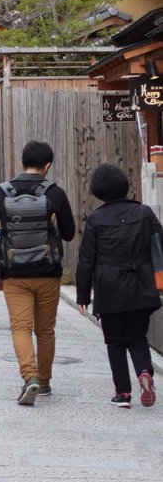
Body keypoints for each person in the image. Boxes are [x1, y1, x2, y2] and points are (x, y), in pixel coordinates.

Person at [0, 139, 76, 405]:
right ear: (47, 165)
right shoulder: (55, 193)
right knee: (45, 330)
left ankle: (29, 377)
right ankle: (45, 382)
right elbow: (69, 234)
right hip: (48, 272)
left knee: (20, 328)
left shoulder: (2, 192)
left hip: (14, 273)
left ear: (22, 162)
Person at [76, 163, 161, 409]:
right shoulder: (144, 213)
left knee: (114, 342)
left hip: (109, 288)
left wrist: (83, 295)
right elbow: (159, 247)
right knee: (137, 337)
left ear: (97, 191)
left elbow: (86, 261)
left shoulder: (95, 219)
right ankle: (145, 372)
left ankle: (123, 394)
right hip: (141, 286)